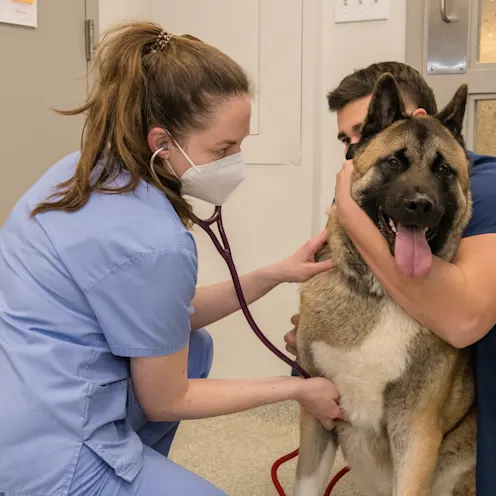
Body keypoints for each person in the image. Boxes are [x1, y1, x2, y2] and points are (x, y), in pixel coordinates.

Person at [0, 22, 342, 496]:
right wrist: (299, 390)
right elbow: (167, 399)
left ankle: (135, 469)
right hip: (47, 454)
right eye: (224, 149)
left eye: (240, 145)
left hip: (22, 392)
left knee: (194, 345)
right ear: (161, 142)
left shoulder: (82, 170)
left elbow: (160, 315)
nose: (235, 161)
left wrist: (273, 274)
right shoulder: (153, 239)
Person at [285, 61, 496, 494]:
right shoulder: (362, 182)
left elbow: (463, 321)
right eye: (350, 140)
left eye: (364, 130)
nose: (353, 152)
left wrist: (348, 211)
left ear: (420, 120)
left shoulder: (488, 188)